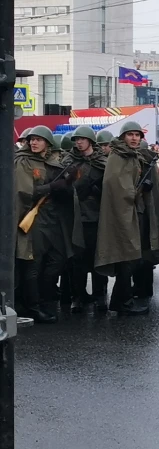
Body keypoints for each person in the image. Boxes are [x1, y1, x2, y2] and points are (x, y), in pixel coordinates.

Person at [96, 121, 159, 316]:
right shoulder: (118, 156)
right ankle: (122, 302)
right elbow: (116, 186)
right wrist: (138, 190)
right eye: (130, 134)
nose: (134, 138)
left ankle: (122, 300)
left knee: (133, 257)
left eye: (137, 135)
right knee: (127, 257)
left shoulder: (133, 155)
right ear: (123, 137)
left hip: (136, 212)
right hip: (123, 214)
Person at [14, 125, 73, 323]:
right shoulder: (23, 161)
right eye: (32, 139)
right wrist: (51, 186)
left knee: (57, 260)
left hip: (53, 219)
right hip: (33, 219)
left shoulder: (52, 162)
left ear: (47, 143)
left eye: (38, 139)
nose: (34, 142)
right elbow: (25, 192)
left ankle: (45, 299)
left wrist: (67, 185)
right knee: (33, 263)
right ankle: (33, 307)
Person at [66, 126, 106, 313]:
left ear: (90, 140)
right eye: (76, 139)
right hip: (75, 216)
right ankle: (78, 296)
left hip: (96, 216)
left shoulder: (102, 162)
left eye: (82, 139)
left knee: (98, 257)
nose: (79, 142)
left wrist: (98, 190)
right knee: (77, 260)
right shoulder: (70, 161)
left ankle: (100, 295)